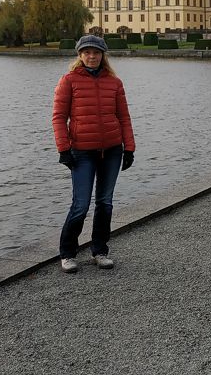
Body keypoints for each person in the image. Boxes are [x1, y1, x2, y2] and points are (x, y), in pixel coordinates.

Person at [52, 35, 136, 273]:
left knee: (105, 203)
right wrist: (63, 149)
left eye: (96, 52)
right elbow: (59, 117)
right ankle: (68, 253)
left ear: (103, 55)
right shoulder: (69, 81)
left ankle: (100, 250)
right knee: (80, 205)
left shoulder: (114, 82)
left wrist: (129, 147)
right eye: (87, 52)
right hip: (82, 151)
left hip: (111, 149)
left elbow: (124, 117)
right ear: (79, 55)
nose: (92, 56)